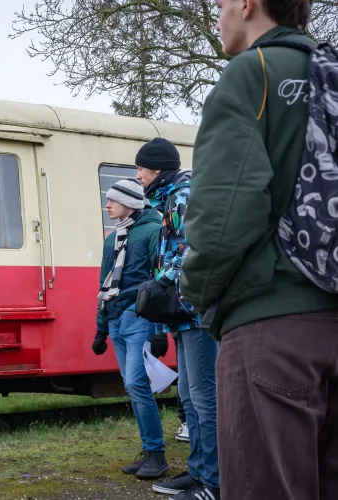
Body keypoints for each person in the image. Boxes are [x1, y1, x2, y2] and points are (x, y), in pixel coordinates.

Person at [180, 1, 338, 498]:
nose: (218, 17)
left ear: (247, 4)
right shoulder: (330, 71)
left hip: (273, 324)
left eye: (221, 5)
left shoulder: (252, 74)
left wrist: (197, 292)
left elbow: (225, 212)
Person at [133, 138, 220, 500]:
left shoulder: (182, 196)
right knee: (189, 394)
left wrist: (161, 281)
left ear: (156, 169)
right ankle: (200, 471)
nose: (137, 176)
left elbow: (190, 247)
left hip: (197, 309)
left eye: (140, 169)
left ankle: (214, 481)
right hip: (184, 313)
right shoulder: (170, 197)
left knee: (203, 397)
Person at [92, 179, 168, 479]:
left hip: (138, 317)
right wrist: (101, 328)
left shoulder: (152, 231)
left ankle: (158, 455)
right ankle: (150, 452)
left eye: (113, 200)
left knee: (136, 384)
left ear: (130, 203)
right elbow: (104, 283)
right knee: (132, 386)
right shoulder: (111, 238)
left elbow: (160, 280)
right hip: (114, 319)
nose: (107, 205)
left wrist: (160, 328)